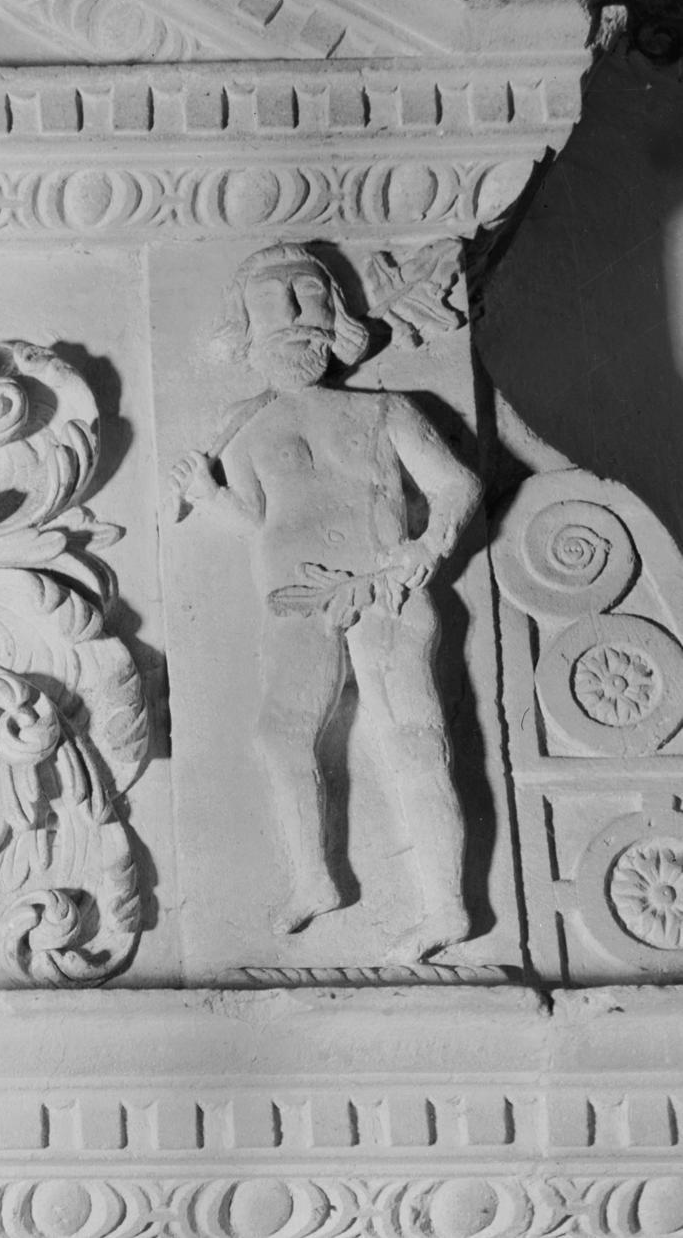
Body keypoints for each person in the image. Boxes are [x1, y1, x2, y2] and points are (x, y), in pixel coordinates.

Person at [171, 244, 479, 963]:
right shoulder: (244, 427)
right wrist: (209, 498)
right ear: (243, 326)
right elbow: (260, 519)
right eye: (271, 304)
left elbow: (454, 485)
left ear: (335, 312)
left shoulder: (385, 409)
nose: (292, 318)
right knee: (281, 734)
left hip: (384, 586)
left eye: (306, 296)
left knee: (411, 738)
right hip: (297, 597)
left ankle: (445, 906)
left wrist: (424, 549)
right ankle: (313, 878)